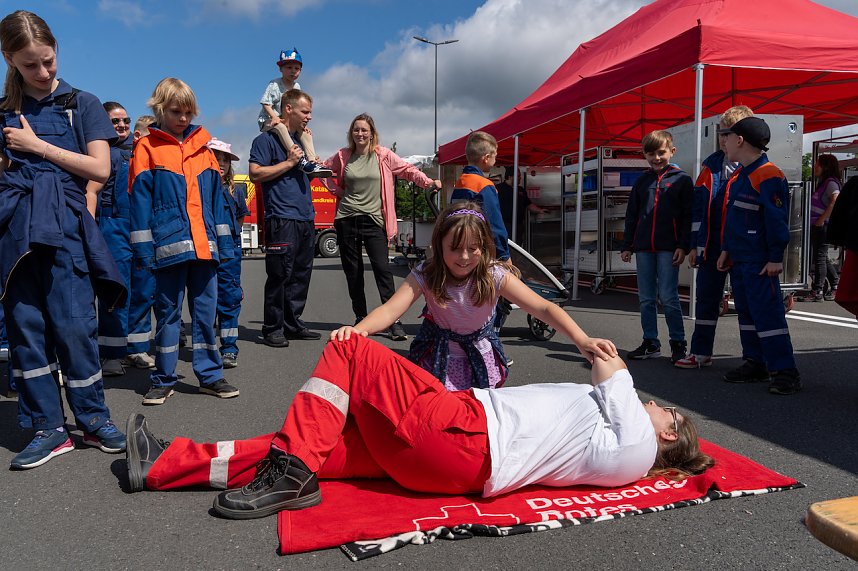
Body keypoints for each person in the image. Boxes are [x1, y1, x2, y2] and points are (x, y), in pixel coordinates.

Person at [124, 334, 715, 521]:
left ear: (669, 434)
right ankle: (166, 464)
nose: (658, 407)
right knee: (309, 441)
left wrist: (608, 361)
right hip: (452, 447)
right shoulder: (624, 440)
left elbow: (609, 364)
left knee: (350, 351)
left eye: (670, 413)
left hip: (464, 433)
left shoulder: (636, 441)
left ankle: (293, 476)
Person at [0, 10, 127, 468]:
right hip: (15, 234)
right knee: (26, 331)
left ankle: (93, 420)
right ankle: (48, 427)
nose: (43, 72)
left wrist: (38, 148)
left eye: (48, 61)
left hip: (66, 228)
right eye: (30, 64)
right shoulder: (2, 112)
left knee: (75, 327)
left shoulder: (82, 103)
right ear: (10, 59)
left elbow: (100, 169)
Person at [330, 202, 616, 390]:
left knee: (480, 417)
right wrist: (360, 330)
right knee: (437, 415)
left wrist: (581, 339)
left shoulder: (494, 274)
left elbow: (542, 307)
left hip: (480, 357)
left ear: (484, 247)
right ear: (439, 245)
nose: (464, 257)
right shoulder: (427, 273)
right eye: (454, 248)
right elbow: (393, 309)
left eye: (473, 248)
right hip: (437, 358)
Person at [129, 77, 240, 405]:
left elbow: (218, 204)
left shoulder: (205, 151)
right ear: (159, 109)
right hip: (167, 250)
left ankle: (210, 375)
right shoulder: (146, 148)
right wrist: (143, 250)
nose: (183, 119)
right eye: (176, 111)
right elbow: (139, 204)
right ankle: (163, 378)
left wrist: (227, 246)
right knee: (168, 314)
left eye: (188, 112)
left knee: (205, 315)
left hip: (206, 250)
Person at [321, 113, 441, 341]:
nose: (360, 134)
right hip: (346, 218)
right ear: (351, 133)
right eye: (356, 130)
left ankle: (392, 321)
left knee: (382, 271)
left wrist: (428, 182)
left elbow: (407, 170)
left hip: (374, 221)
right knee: (353, 273)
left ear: (372, 133)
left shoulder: (383, 155)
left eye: (364, 130)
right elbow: (323, 171)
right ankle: (360, 319)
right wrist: (336, 191)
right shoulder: (343, 155)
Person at [715, 117, 802, 395]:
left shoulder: (768, 174)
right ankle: (756, 363)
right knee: (748, 315)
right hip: (741, 259)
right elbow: (735, 219)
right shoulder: (741, 175)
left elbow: (777, 221)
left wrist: (775, 257)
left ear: (739, 140)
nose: (723, 142)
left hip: (760, 261)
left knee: (768, 316)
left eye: (726, 136)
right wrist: (727, 249)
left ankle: (785, 371)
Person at [676, 106, 754, 369]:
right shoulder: (710, 166)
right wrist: (695, 245)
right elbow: (698, 210)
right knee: (707, 301)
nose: (723, 139)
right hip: (711, 245)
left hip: (742, 249)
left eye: (728, 133)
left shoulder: (754, 168)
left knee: (745, 304)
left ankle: (752, 359)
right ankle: (700, 353)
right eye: (721, 133)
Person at [250, 89, 321, 348]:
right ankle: (273, 327)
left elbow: (306, 174)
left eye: (310, 112)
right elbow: (255, 174)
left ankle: (293, 324)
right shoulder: (266, 140)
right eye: (305, 111)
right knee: (280, 274)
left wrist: (314, 168)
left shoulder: (302, 140)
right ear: (288, 109)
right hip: (281, 216)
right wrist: (289, 163)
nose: (309, 117)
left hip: (305, 216)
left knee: (301, 273)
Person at [621, 130, 693, 363]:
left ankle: (678, 343)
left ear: (672, 151)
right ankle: (650, 342)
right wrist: (628, 245)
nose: (656, 158)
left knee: (669, 296)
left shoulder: (682, 180)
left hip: (668, 247)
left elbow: (687, 216)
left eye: (661, 152)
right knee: (646, 298)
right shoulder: (642, 181)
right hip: (643, 248)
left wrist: (684, 245)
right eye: (650, 153)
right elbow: (632, 214)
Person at [93, 101, 135, 377]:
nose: (121, 125)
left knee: (141, 290)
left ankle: (132, 347)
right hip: (110, 224)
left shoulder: (138, 151)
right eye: (115, 121)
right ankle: (111, 353)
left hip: (138, 226)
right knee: (114, 288)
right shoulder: (98, 151)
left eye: (125, 121)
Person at [257, 48, 331, 178]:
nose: (293, 71)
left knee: (306, 134)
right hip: (268, 120)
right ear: (281, 69)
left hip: (286, 120)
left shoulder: (297, 87)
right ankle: (300, 159)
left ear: (300, 71)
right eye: (289, 67)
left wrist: (301, 125)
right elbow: (265, 103)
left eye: (296, 68)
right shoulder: (274, 84)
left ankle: (312, 161)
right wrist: (274, 117)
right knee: (280, 127)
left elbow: (298, 107)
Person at [208, 138, 249, 368]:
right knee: (205, 303)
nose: (222, 163)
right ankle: (207, 349)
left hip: (229, 256)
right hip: (206, 254)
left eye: (225, 159)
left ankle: (229, 348)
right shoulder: (200, 189)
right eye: (217, 157)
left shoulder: (236, 191)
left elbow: (240, 219)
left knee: (229, 300)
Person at [123, 113, 159, 365]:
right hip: (119, 234)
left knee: (145, 292)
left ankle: (136, 346)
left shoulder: (152, 164)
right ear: (138, 136)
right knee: (121, 293)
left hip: (145, 237)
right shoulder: (121, 159)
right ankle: (117, 349)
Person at [450, 131, 510, 262]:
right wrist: (505, 257)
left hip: (461, 248)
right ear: (486, 157)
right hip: (482, 253)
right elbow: (494, 226)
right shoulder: (484, 185)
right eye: (495, 156)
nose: (496, 160)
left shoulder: (461, 182)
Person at [796, 154, 841, 302]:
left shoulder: (830, 183)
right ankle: (835, 284)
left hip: (823, 226)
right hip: (818, 225)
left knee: (819, 257)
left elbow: (835, 199)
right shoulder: (823, 183)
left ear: (826, 167)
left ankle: (818, 290)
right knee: (822, 256)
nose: (815, 167)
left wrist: (821, 220)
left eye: (817, 165)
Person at [496, 166, 547, 247]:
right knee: (505, 247)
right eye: (518, 176)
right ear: (510, 177)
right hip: (504, 225)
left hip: (519, 225)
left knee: (518, 247)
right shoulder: (498, 189)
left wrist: (540, 210)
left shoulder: (520, 190)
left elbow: (528, 204)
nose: (520, 178)